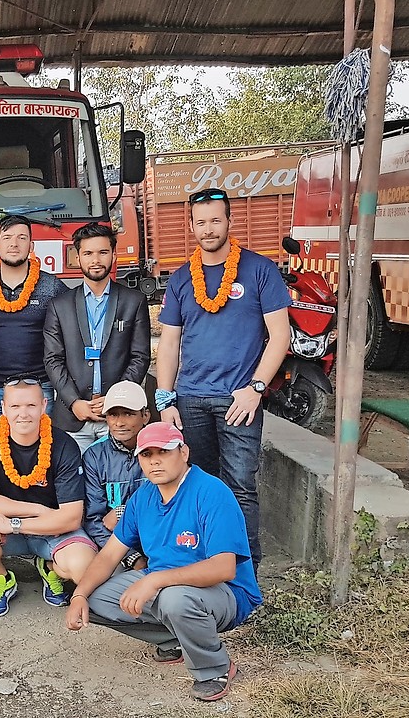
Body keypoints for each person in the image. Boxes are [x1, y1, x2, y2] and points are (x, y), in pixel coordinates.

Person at [65, 422, 262, 703]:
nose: (155, 461)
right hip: (167, 583)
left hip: (227, 593)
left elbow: (223, 568)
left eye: (164, 452)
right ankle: (176, 642)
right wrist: (79, 595)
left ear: (184, 452)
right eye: (146, 455)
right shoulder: (142, 497)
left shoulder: (211, 492)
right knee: (95, 599)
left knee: (175, 600)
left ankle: (214, 669)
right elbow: (109, 555)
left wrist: (154, 579)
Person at [156, 188, 291, 567]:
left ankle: (245, 573)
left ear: (230, 222)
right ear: (192, 226)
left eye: (216, 220)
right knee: (196, 485)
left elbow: (280, 335)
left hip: (239, 400)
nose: (208, 228)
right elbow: (168, 343)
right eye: (201, 222)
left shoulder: (260, 269)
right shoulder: (182, 278)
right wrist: (165, 399)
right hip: (190, 400)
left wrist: (256, 390)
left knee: (240, 488)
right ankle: (203, 561)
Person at [0, 377, 95, 617]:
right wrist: (36, 510)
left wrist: (16, 522)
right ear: (3, 408)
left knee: (84, 566)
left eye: (31, 406)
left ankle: (49, 567)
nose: (23, 414)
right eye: (15, 406)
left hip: (52, 529)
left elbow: (71, 518)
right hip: (10, 526)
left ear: (44, 405)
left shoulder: (64, 444)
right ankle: (1, 577)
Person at [43, 222, 151, 452]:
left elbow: (140, 357)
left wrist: (116, 398)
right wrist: (74, 402)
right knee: (74, 485)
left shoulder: (134, 301)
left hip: (117, 416)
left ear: (113, 253)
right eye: (88, 253)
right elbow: (53, 359)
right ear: (78, 257)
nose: (96, 260)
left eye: (102, 252)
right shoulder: (59, 305)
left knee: (120, 482)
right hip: (73, 417)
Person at [0, 215, 68, 429]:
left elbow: (72, 332)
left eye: (22, 238)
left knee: (40, 452)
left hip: (38, 386)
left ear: (31, 246)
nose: (14, 244)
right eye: (7, 238)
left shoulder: (51, 287)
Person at [81, 380, 150, 570]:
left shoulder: (160, 449)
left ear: (145, 415)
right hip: (114, 545)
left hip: (159, 541)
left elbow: (173, 503)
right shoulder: (94, 456)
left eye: (128, 414)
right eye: (112, 414)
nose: (119, 422)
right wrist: (132, 557)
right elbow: (94, 520)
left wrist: (122, 511)